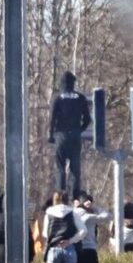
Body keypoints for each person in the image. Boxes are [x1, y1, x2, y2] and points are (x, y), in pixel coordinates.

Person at [48, 70, 91, 199]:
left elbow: (52, 119)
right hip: (75, 137)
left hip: (60, 136)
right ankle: (74, 197)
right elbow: (88, 119)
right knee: (75, 169)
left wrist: (51, 135)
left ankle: (60, 197)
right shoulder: (81, 98)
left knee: (60, 168)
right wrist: (79, 130)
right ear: (73, 83)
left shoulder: (57, 98)